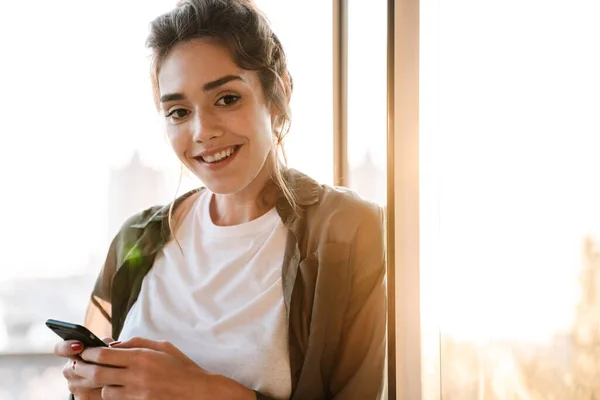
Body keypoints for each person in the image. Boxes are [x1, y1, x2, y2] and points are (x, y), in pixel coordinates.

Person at [53, 0, 387, 399]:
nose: (202, 131)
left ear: (278, 93)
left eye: (227, 99)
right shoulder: (136, 239)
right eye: (178, 111)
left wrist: (198, 388)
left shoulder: (347, 230)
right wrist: (88, 387)